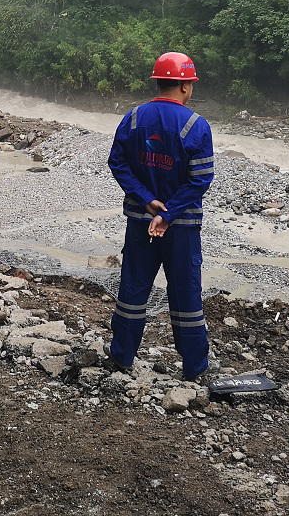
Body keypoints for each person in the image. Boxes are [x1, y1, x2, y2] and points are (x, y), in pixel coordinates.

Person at [106, 52, 215, 381]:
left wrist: (148, 201)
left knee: (133, 289)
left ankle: (122, 356)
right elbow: (200, 179)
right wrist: (169, 214)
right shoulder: (196, 125)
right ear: (185, 86)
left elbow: (118, 163)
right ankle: (194, 369)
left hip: (140, 222)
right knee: (186, 295)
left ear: (158, 81)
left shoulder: (133, 118)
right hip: (182, 228)